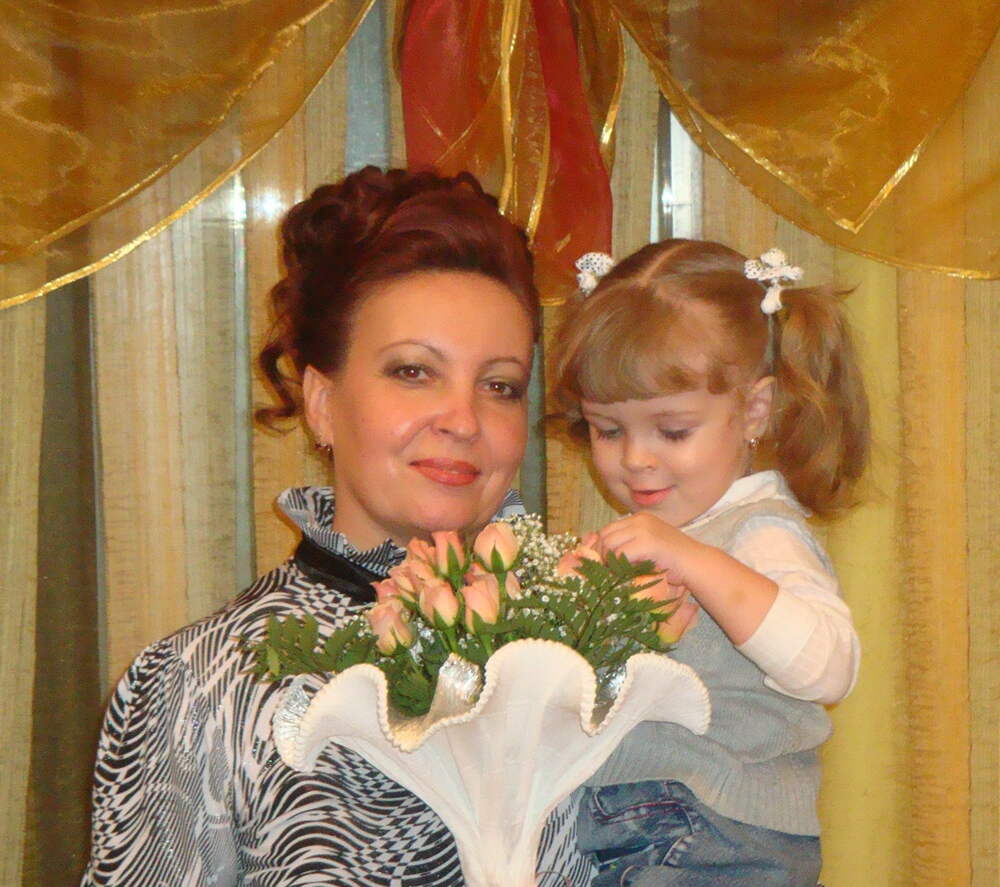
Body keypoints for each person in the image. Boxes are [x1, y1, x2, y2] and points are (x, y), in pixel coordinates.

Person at [82, 166, 593, 887]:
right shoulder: (201, 682)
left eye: (499, 384)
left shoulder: (583, 641)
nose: (463, 419)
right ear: (321, 402)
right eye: (413, 371)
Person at [550, 239, 870, 887]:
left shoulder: (758, 531)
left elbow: (830, 666)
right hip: (642, 822)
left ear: (754, 410)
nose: (635, 459)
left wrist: (688, 557)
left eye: (672, 431)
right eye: (608, 430)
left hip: (720, 833)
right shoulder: (666, 533)